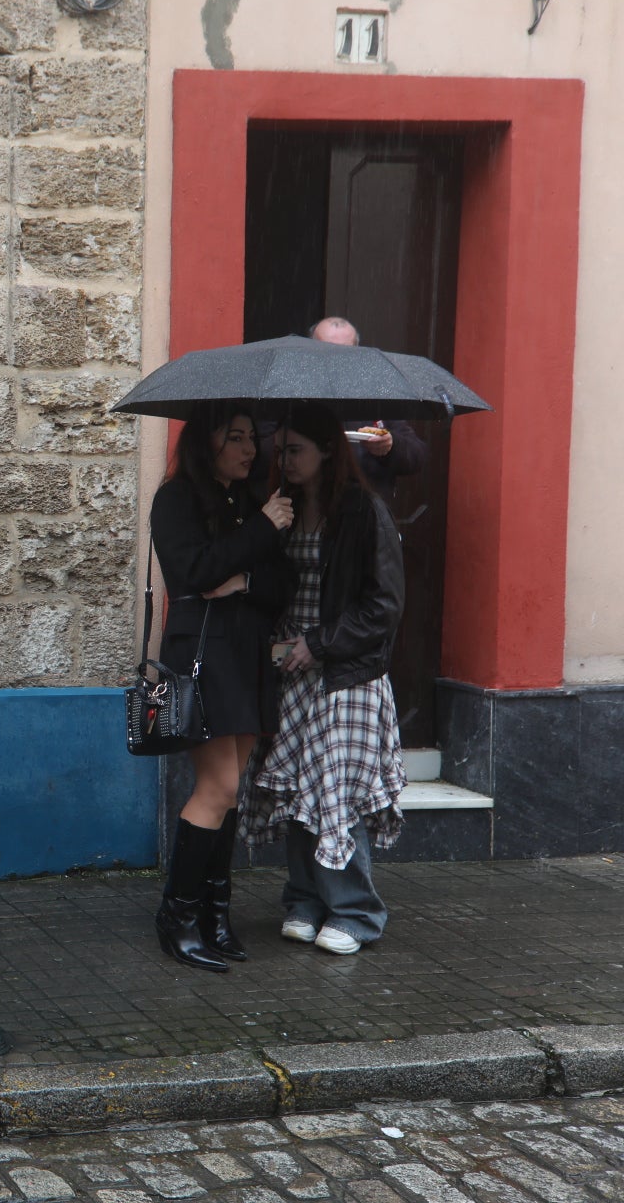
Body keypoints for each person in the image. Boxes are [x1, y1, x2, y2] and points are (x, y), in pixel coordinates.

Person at [243, 403, 407, 956]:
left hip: (345, 673)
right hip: (290, 668)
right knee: (294, 791)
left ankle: (356, 912)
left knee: (335, 792)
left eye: (296, 451)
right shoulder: (280, 509)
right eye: (281, 450)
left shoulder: (363, 511)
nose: (283, 460)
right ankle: (305, 900)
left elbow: (383, 606)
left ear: (328, 452)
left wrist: (320, 643)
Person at [149, 401, 293, 973]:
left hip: (244, 654)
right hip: (202, 655)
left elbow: (279, 584)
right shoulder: (177, 498)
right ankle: (177, 917)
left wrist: (244, 576)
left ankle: (214, 914)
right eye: (236, 438)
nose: (250, 449)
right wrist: (258, 532)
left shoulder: (246, 504)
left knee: (230, 793)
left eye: (252, 438)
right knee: (218, 787)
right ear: (207, 442)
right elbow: (194, 573)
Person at [308, 317, 428, 501]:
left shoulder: (377, 395)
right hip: (311, 505)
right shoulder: (296, 394)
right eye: (327, 350)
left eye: (346, 352)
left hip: (368, 510)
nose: (337, 359)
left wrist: (390, 446)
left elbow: (416, 456)